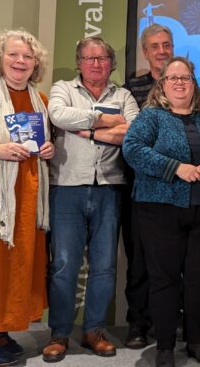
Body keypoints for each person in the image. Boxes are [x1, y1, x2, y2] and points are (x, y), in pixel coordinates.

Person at [122, 56, 200, 367]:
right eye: (172, 78)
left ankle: (197, 340)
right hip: (159, 210)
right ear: (162, 85)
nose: (178, 83)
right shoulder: (151, 117)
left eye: (184, 78)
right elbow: (132, 148)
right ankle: (164, 345)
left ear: (193, 83)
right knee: (164, 278)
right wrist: (175, 168)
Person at [43, 37, 140, 362]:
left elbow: (133, 130)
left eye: (102, 58)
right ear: (79, 62)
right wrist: (106, 119)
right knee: (63, 265)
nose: (96, 64)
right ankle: (59, 333)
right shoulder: (62, 89)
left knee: (104, 267)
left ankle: (94, 330)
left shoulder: (123, 95)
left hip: (110, 188)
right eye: (89, 58)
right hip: (67, 187)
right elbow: (57, 115)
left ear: (111, 63)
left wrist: (87, 128)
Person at [0, 29, 53, 367]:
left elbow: (41, 144)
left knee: (19, 266)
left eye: (27, 57)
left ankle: (2, 330)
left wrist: (48, 148)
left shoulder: (41, 101)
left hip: (28, 198)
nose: (20, 61)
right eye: (13, 55)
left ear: (36, 64)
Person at [122, 23, 174, 349]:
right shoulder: (131, 90)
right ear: (145, 52)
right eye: (154, 46)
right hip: (139, 188)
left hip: (176, 189)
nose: (161, 51)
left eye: (166, 45)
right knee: (139, 260)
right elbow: (130, 136)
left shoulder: (186, 86)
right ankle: (138, 323)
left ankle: (168, 320)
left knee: (172, 261)